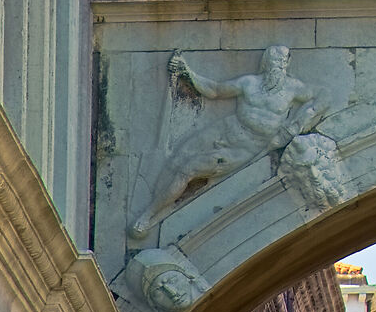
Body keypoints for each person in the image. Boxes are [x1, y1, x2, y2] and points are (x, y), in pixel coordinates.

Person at [129, 46, 320, 240]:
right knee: (179, 157)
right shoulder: (249, 83)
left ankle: (148, 216)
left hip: (246, 147)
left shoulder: (294, 89)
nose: (277, 66)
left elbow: (325, 96)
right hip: (226, 128)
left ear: (287, 64)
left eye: (281, 62)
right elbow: (215, 90)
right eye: (273, 61)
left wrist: (298, 123)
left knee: (189, 169)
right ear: (265, 62)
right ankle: (157, 206)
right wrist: (187, 72)